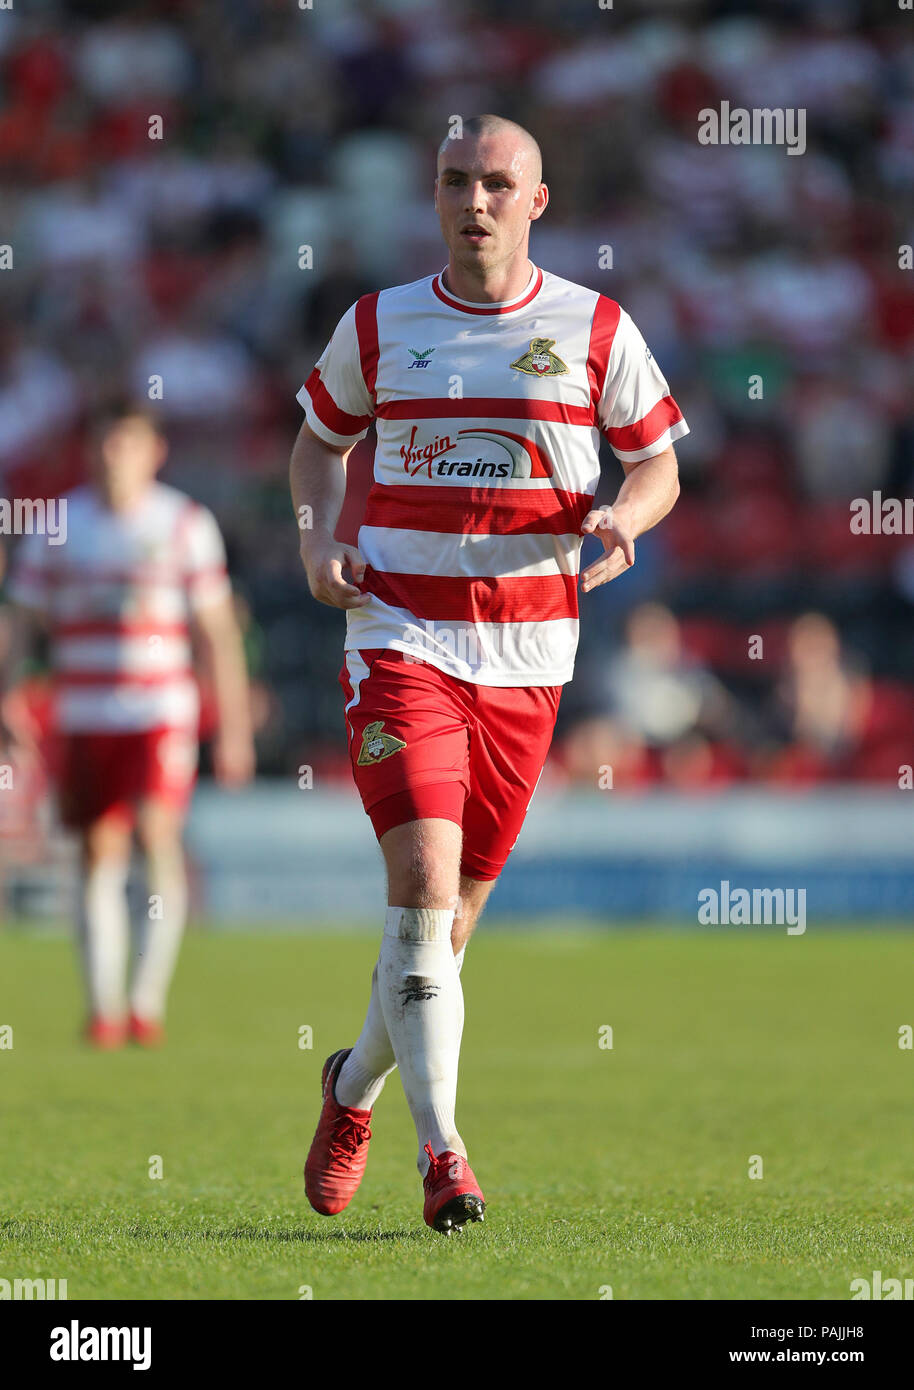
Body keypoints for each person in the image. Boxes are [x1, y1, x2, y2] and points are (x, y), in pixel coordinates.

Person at [290, 115, 687, 1233]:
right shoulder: (375, 325)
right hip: (398, 634)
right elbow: (316, 444)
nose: (475, 201)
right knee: (418, 886)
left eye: (496, 183)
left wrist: (625, 514)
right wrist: (318, 540)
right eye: (456, 182)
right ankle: (445, 1157)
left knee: (443, 936)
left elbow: (656, 460)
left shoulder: (595, 328)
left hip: (529, 654)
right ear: (434, 195)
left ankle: (349, 1085)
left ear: (536, 200)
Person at [1, 400, 255, 1047]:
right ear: (88, 451)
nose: (115, 457)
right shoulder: (58, 525)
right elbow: (24, 619)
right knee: (96, 849)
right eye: (105, 445)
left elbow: (216, 630)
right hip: (82, 710)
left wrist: (231, 728)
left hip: (158, 710)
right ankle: (104, 1006)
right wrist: (7, 693)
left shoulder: (183, 524)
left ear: (154, 451)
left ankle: (145, 1000)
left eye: (128, 445)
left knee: (154, 829)